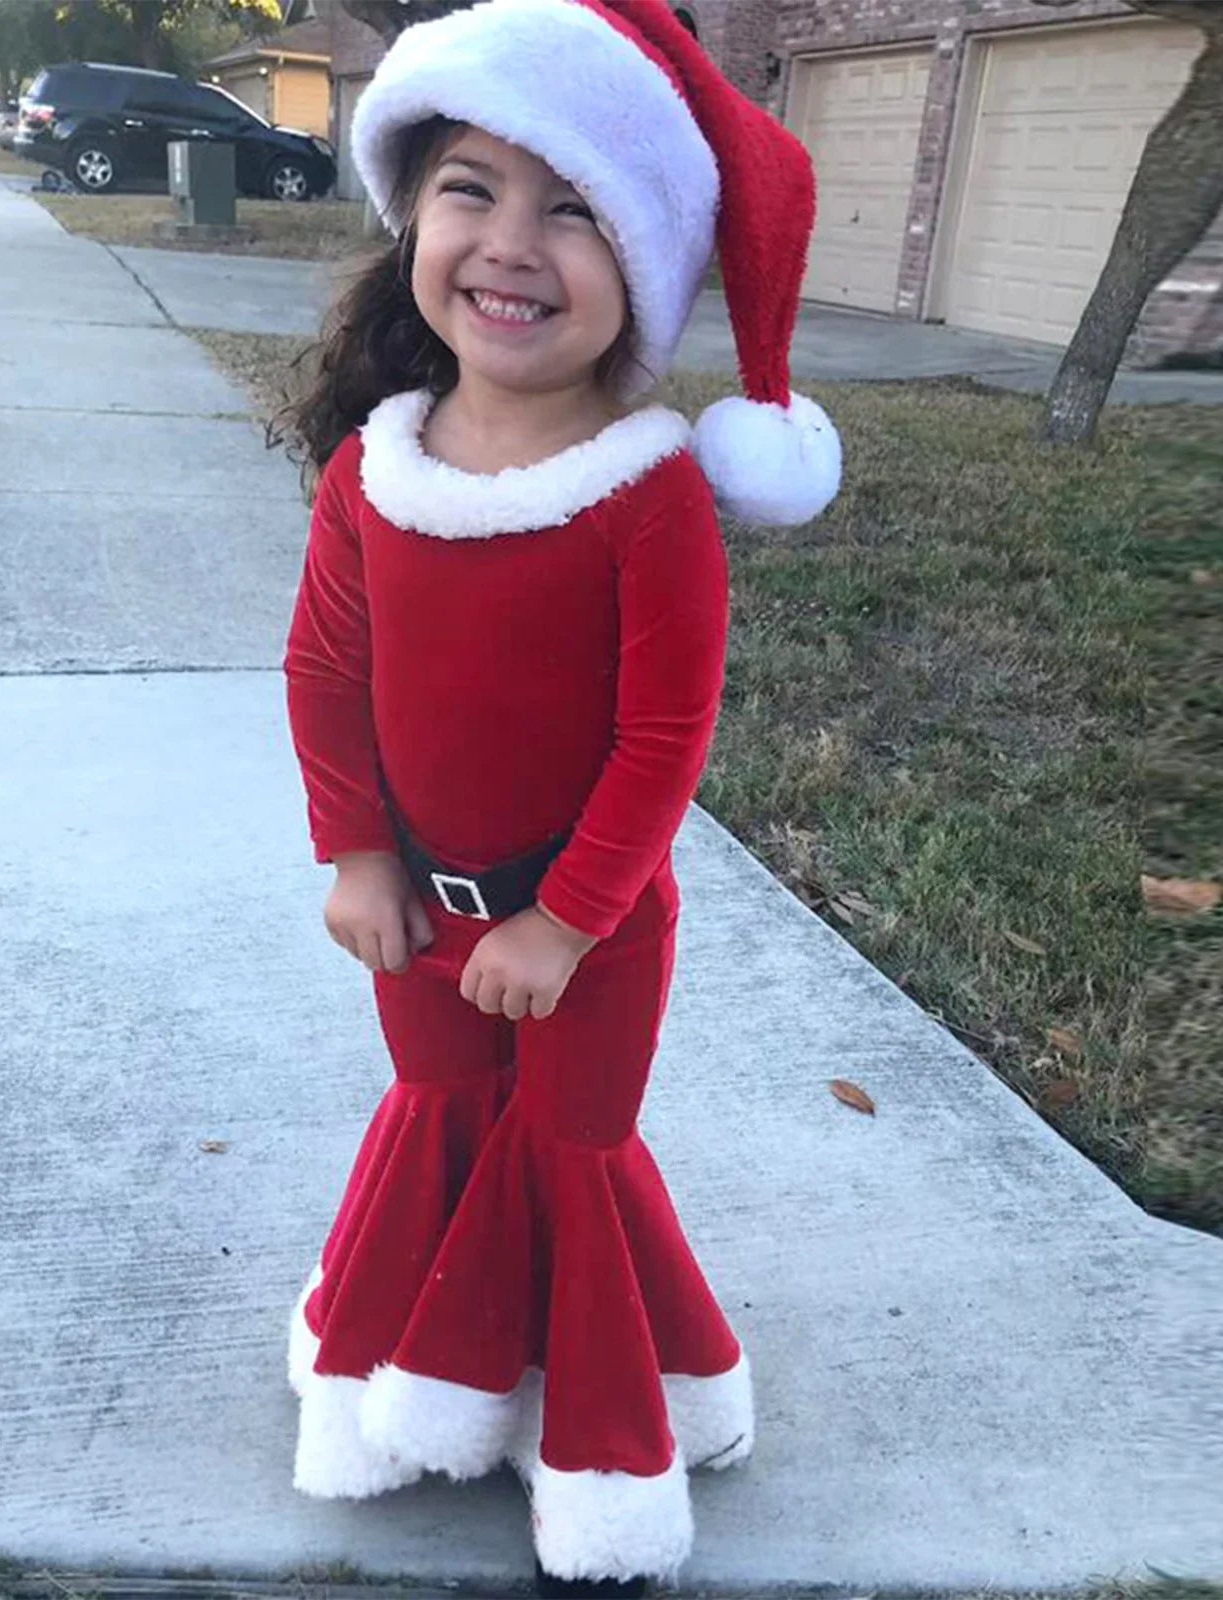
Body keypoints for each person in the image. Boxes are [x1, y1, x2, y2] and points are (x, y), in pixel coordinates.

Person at [276, 2, 841, 1594]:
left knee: (571, 1148)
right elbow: (323, 676)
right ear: (412, 222)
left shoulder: (646, 497)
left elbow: (665, 737)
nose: (512, 243)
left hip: (586, 929)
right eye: (473, 185)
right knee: (449, 1122)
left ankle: (596, 1451)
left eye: (574, 206)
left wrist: (571, 919)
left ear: (644, 267)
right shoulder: (374, 474)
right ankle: (422, 1377)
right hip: (422, 916)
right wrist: (357, 855)